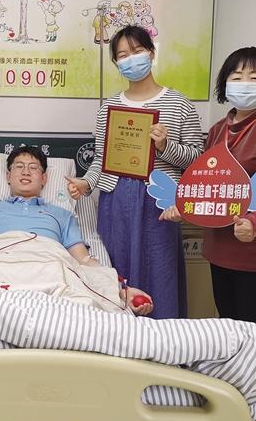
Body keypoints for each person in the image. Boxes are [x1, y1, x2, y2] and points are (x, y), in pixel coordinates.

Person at [66, 25, 203, 319]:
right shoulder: (109, 107)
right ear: (116, 63)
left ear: (151, 53)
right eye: (123, 55)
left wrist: (165, 146)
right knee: (117, 271)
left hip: (160, 201)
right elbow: (101, 159)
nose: (131, 59)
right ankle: (118, 340)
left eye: (137, 51)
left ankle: (162, 340)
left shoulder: (179, 104)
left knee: (160, 270)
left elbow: (196, 160)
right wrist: (86, 184)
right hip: (116, 200)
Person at [163, 47, 256, 330]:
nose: (244, 83)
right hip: (219, 252)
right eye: (237, 76)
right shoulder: (218, 130)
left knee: (254, 338)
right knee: (228, 333)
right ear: (225, 83)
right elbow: (206, 185)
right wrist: (184, 206)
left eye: (255, 77)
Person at [0, 146, 153, 315]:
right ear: (8, 176)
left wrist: (121, 289)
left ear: (44, 178)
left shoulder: (62, 215)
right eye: (19, 167)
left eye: (33, 168)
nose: (26, 172)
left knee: (80, 301)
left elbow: (83, 260)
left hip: (49, 266)